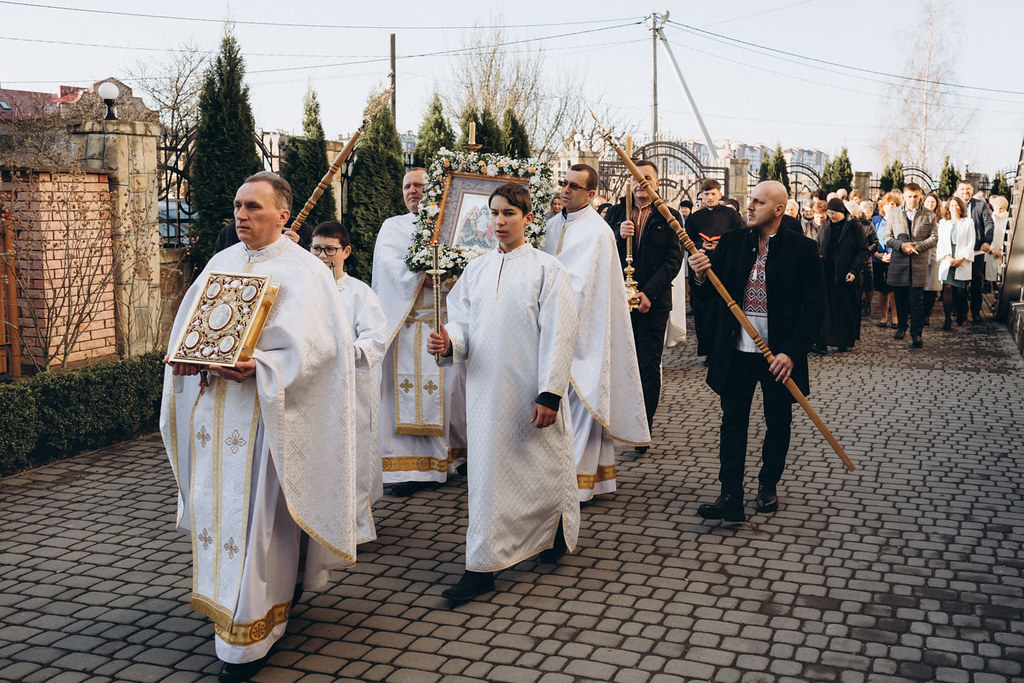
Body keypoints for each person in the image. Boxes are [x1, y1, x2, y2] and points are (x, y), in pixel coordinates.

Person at [161, 172, 358, 682]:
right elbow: (193, 331)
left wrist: (264, 367)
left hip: (266, 418)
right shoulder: (221, 263)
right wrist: (185, 358)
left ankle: (250, 636)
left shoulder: (306, 273)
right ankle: (228, 605)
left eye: (252, 206)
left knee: (257, 524)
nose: (241, 215)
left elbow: (323, 350)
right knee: (220, 515)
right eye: (237, 206)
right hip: (214, 411)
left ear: (283, 215)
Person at [427, 182, 580, 602]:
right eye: (494, 213)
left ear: (528, 218)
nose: (499, 221)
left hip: (529, 388)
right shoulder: (475, 269)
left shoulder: (547, 270)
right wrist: (449, 341)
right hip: (484, 392)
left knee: (540, 465)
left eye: (509, 213)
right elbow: (461, 320)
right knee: (487, 476)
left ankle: (553, 530)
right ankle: (482, 565)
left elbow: (560, 333)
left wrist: (550, 392)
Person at [687, 181, 824, 521]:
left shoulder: (802, 250)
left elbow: (816, 309)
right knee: (733, 421)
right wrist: (700, 277)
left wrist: (791, 353)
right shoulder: (734, 242)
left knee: (778, 420)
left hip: (779, 357)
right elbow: (709, 297)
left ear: (778, 209)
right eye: (750, 200)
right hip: (737, 350)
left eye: (759, 202)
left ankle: (768, 484)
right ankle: (730, 494)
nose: (749, 207)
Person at [542, 164, 650, 500]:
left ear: (591, 194)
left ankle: (574, 487)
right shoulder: (550, 226)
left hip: (584, 332)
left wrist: (546, 303)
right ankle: (594, 479)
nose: (566, 190)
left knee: (581, 405)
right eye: (564, 184)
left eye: (574, 186)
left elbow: (585, 287)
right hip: (550, 327)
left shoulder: (599, 232)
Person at [371, 168, 467, 496]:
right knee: (398, 398)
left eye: (419, 185)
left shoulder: (451, 223)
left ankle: (449, 458)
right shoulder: (392, 226)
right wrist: (419, 276)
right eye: (407, 186)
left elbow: (467, 264)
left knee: (449, 392)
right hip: (405, 324)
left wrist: (449, 274)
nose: (413, 190)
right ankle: (402, 469)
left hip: (443, 322)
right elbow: (386, 267)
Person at [312, 220, 387, 543]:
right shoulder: (302, 290)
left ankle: (353, 528)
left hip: (348, 388)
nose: (323, 256)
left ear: (346, 252)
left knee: (350, 457)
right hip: (311, 389)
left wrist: (345, 352)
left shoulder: (360, 293)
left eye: (330, 249)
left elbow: (375, 338)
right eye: (316, 248)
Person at [605, 161, 684, 435]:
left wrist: (648, 292)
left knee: (647, 364)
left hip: (653, 302)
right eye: (637, 179)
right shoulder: (616, 212)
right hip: (618, 301)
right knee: (619, 362)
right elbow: (601, 250)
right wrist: (617, 234)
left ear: (657, 183)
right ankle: (618, 420)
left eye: (647, 178)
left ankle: (642, 427)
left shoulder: (668, 215)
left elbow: (673, 260)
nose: (641, 184)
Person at [677, 178, 740, 360]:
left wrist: (719, 245)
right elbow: (686, 239)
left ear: (720, 194)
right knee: (704, 313)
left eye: (713, 193)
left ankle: (725, 351)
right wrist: (700, 244)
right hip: (701, 269)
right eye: (706, 194)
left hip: (724, 268)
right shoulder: (695, 217)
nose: (710, 197)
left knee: (723, 311)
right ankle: (709, 351)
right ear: (701, 196)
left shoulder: (730, 215)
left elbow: (738, 236)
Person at [884, 182, 938, 348]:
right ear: (904, 197)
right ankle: (901, 327)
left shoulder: (929, 215)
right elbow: (887, 237)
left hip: (918, 263)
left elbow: (934, 237)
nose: (913, 200)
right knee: (899, 299)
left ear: (920, 196)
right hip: (899, 263)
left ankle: (917, 334)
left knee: (916, 301)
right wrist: (901, 246)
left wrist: (917, 247)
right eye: (909, 196)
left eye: (916, 196)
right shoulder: (894, 214)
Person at [818, 198, 866, 352]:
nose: (831, 216)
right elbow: (819, 245)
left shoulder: (854, 227)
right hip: (827, 274)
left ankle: (843, 340)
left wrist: (854, 270)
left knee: (844, 308)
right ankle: (824, 340)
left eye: (834, 213)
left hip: (846, 275)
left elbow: (862, 250)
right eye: (829, 213)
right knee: (827, 310)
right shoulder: (825, 226)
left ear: (842, 212)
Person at [955, 180, 995, 323]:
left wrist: (987, 241)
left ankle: (976, 312)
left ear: (972, 190)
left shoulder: (980, 205)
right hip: (959, 252)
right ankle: (961, 312)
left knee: (977, 283)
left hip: (977, 250)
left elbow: (989, 223)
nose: (965, 191)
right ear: (958, 190)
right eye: (963, 189)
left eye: (968, 189)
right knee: (960, 284)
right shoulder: (954, 205)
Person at [936, 197, 974, 330]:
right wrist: (947, 257)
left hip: (961, 260)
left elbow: (971, 242)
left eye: (957, 205)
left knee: (959, 291)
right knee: (947, 288)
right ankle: (947, 319)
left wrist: (962, 258)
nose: (955, 208)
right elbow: (940, 242)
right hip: (947, 260)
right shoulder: (943, 223)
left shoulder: (968, 222)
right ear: (948, 208)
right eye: (952, 205)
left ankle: (961, 313)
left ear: (961, 208)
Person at [872, 192, 898, 328]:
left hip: (895, 259)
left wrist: (892, 255)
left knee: (893, 290)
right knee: (882, 290)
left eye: (892, 204)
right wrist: (877, 254)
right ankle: (883, 317)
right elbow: (870, 240)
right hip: (878, 259)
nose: (890, 206)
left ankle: (895, 317)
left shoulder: (901, 220)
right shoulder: (876, 221)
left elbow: (901, 239)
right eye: (887, 204)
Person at [986, 195, 1010, 288]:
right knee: (992, 278)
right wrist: (991, 249)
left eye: (1001, 209)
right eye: (996, 208)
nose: (999, 211)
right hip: (991, 251)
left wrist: (1002, 250)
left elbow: (1009, 236)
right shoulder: (990, 219)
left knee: (1003, 278)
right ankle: (994, 299)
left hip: (1004, 252)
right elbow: (987, 235)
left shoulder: (1008, 220)